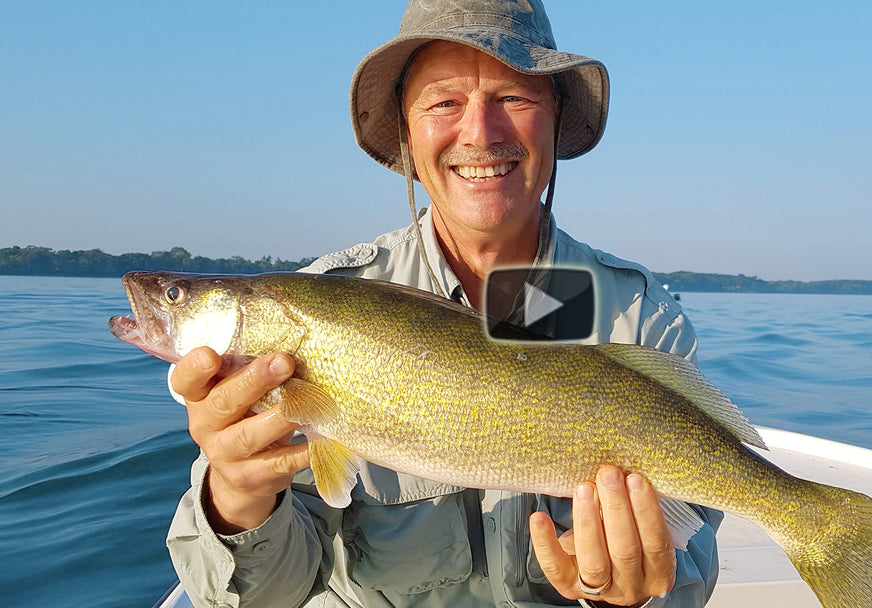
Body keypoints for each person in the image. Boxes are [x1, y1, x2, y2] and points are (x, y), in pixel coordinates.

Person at [165, 1, 722, 607]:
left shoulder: (636, 314)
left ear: (556, 118)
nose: (481, 133)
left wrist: (631, 596)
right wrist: (240, 499)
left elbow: (687, 562)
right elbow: (266, 598)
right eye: (444, 101)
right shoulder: (326, 301)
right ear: (406, 126)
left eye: (514, 97)